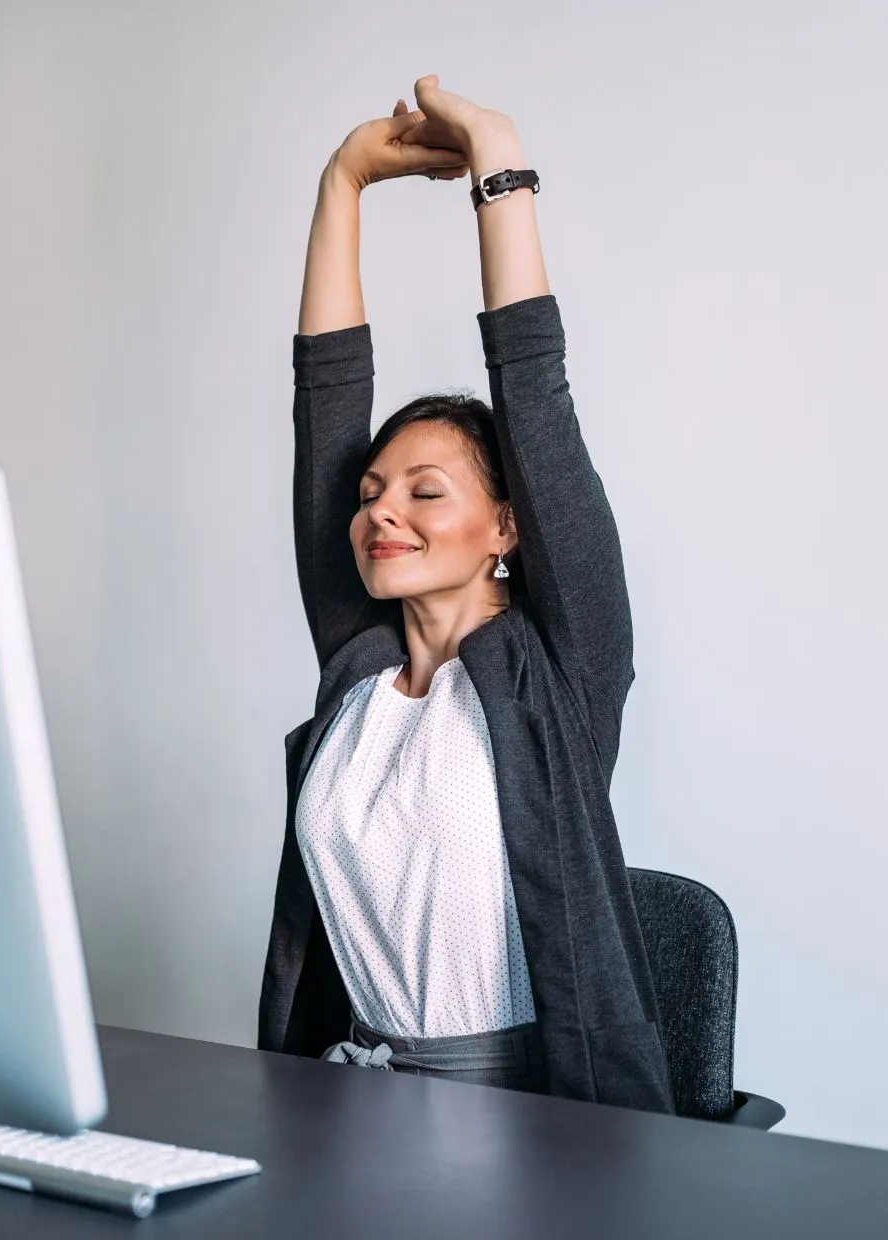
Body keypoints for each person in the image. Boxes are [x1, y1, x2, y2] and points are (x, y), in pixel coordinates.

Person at [257, 75, 673, 1113]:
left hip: (537, 1125)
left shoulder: (557, 674)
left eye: (425, 491)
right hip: (347, 1113)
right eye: (369, 496)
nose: (380, 513)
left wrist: (493, 152)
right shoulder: (355, 666)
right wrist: (341, 182)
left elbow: (533, 389)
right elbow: (324, 403)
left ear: (505, 528)